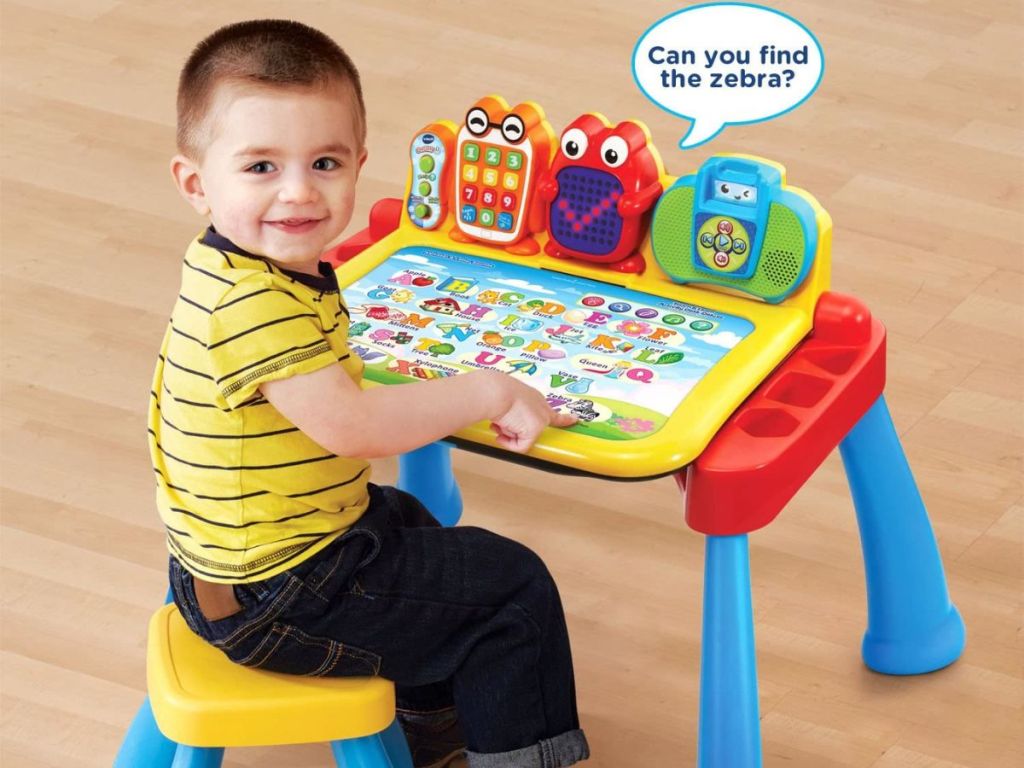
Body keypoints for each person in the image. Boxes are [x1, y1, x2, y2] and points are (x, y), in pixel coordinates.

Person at [151, 18, 589, 768]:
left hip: (240, 563)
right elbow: (355, 429)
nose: (298, 191)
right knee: (512, 586)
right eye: (261, 167)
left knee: (410, 523)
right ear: (197, 183)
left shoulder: (234, 266)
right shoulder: (253, 307)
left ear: (359, 163)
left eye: (324, 162)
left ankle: (429, 721)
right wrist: (486, 389)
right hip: (277, 593)